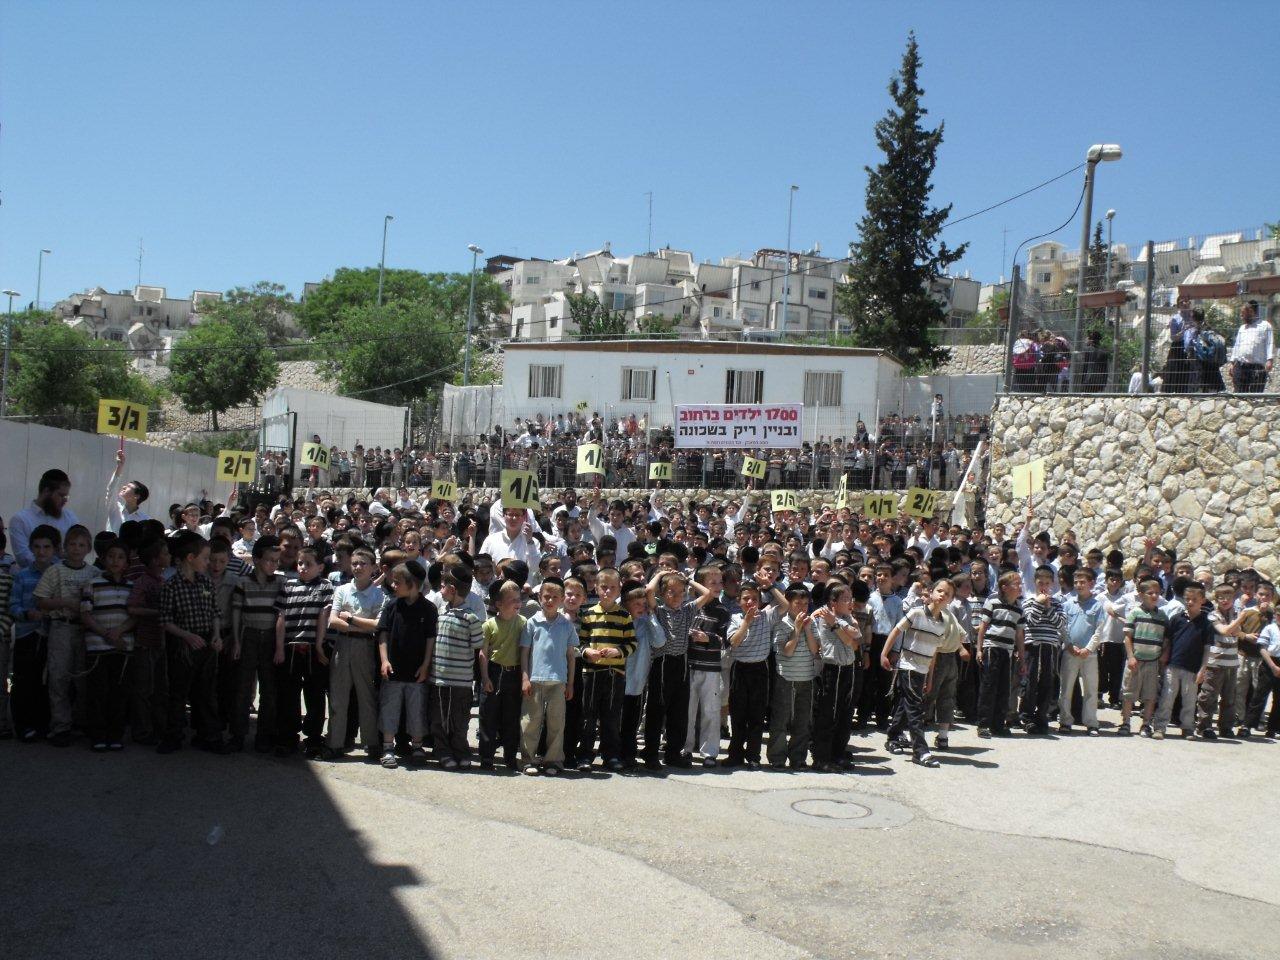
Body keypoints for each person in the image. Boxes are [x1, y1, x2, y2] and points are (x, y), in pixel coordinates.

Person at [159, 533, 228, 754]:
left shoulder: (206, 581)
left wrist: (216, 635)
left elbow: (215, 613)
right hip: (183, 645)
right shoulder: (171, 585)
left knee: (206, 692)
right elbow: (165, 621)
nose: (208, 563)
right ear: (190, 558)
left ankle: (209, 735)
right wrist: (186, 636)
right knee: (178, 692)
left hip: (206, 642)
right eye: (206, 558)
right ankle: (174, 735)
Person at [33, 524, 97, 747]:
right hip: (61, 627)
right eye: (72, 544)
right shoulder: (55, 570)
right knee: (58, 677)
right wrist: (66, 602)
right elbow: (41, 600)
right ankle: (60, 725)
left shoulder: (93, 574)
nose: (76, 549)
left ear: (88, 548)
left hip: (85, 630)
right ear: (64, 547)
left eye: (81, 545)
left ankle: (81, 721)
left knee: (83, 677)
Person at [324, 547, 386, 760]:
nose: (358, 567)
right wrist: (360, 626)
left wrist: (350, 619)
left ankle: (371, 742)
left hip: (365, 647)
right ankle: (335, 742)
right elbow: (333, 620)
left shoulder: (378, 594)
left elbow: (377, 625)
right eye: (355, 563)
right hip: (342, 645)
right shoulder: (342, 590)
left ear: (373, 568)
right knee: (338, 696)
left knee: (366, 696)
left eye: (363, 564)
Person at [273, 544, 333, 758]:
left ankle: (314, 738)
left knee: (315, 695)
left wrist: (318, 646)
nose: (303, 568)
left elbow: (323, 617)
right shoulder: (288, 586)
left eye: (309, 564)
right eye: (300, 563)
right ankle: (288, 736)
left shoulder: (325, 587)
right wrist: (279, 648)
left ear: (320, 567)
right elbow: (281, 617)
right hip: (289, 648)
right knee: (289, 695)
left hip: (313, 649)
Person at [576, 567, 636, 772]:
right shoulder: (588, 614)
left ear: (619, 590)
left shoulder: (624, 616)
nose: (608, 591)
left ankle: (611, 755)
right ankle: (585, 755)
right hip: (592, 673)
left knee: (611, 717)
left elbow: (632, 644)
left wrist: (618, 651)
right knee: (588, 716)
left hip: (615, 674)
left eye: (612, 588)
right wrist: (586, 653)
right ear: (597, 588)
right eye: (604, 587)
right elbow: (580, 642)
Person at [376, 560, 435, 768]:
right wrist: (384, 660)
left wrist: (426, 664)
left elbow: (430, 638)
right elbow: (382, 633)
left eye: (398, 582)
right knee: (390, 708)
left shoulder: (428, 608)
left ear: (411, 584)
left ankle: (417, 745)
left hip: (417, 670)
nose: (393, 586)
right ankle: (388, 747)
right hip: (393, 669)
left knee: (417, 708)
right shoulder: (392, 606)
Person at [229, 536, 285, 752]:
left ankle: (264, 736)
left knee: (269, 690)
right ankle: (238, 735)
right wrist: (236, 640)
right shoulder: (243, 582)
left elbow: (281, 614)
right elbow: (236, 613)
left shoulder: (280, 583)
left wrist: (279, 646)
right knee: (243, 688)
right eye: (269, 560)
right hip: (249, 635)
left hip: (270, 637)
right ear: (257, 559)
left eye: (276, 561)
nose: (273, 565)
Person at [80, 541, 136, 751]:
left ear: (127, 562)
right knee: (98, 692)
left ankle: (115, 734)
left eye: (120, 557)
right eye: (111, 556)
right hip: (97, 647)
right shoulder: (92, 584)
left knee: (119, 693)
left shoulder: (132, 587)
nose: (115, 561)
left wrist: (118, 632)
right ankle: (97, 734)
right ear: (103, 559)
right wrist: (106, 634)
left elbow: (134, 616)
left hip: (122, 647)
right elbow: (85, 614)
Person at [519, 577, 578, 775]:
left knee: (556, 722)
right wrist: (525, 678)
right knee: (531, 721)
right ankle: (529, 759)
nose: (550, 601)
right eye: (546, 597)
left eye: (555, 597)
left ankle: (553, 760)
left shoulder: (566, 625)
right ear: (539, 597)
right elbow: (525, 652)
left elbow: (571, 656)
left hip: (558, 680)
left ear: (561, 599)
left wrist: (570, 683)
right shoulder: (532, 622)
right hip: (535, 680)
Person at [428, 567, 484, 769]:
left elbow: (478, 647)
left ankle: (461, 752)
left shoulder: (471, 619)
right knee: (439, 719)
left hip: (461, 681)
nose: (439, 590)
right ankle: (443, 752)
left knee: (459, 720)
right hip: (439, 679)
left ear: (452, 589)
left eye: (442, 586)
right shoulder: (440, 614)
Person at [809, 580, 864, 770]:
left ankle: (837, 753)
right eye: (846, 599)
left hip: (848, 668)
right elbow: (847, 638)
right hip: (833, 668)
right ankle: (821, 757)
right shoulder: (824, 616)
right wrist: (838, 626)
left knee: (843, 713)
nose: (850, 602)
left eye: (851, 598)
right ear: (833, 602)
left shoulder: (845, 617)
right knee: (828, 713)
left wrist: (839, 625)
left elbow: (855, 640)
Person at [9, 525, 57, 741]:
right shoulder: (23, 575)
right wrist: (27, 614)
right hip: (26, 634)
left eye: (46, 547)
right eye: (37, 547)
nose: (41, 551)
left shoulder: (59, 573)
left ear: (54, 549)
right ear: (30, 548)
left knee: (47, 681)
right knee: (24, 680)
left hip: (52, 634)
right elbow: (13, 606)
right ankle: (23, 725)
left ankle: (43, 723)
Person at [767, 585, 819, 769]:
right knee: (781, 719)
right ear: (789, 604)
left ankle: (798, 757)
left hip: (806, 677)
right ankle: (777, 757)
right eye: (798, 603)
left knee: (803, 721)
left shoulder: (811, 623)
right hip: (785, 677)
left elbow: (815, 651)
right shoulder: (782, 623)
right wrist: (797, 630)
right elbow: (787, 652)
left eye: (806, 604)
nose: (802, 608)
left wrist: (807, 629)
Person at [1153, 582, 1213, 740]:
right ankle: (1160, 726)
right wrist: (1164, 656)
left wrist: (1203, 669)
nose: (1190, 602)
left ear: (1203, 601)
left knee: (1189, 700)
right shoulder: (1176, 619)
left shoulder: (1206, 624)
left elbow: (1207, 649)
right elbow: (1168, 640)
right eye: (1187, 598)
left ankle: (1187, 727)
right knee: (1167, 696)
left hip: (1192, 668)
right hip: (1173, 664)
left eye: (1194, 599)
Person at [478, 580, 526, 771]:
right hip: (494, 671)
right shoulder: (489, 625)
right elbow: (483, 653)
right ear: (498, 604)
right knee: (488, 716)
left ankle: (510, 757)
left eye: (519, 599)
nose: (518, 603)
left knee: (511, 718)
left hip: (513, 673)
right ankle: (487, 757)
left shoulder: (523, 623)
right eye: (512, 600)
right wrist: (485, 678)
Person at [976, 571, 1026, 738]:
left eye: (1020, 584)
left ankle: (998, 725)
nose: (1019, 587)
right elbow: (983, 627)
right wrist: (979, 649)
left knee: (1004, 689)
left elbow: (1019, 635)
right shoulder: (993, 601)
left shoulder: (1019, 608)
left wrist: (1022, 657)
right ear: (1004, 587)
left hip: (1008, 651)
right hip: (992, 647)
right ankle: (983, 724)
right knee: (989, 686)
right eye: (1016, 584)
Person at [1120, 577, 1168, 737]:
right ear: (1141, 595)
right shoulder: (1134, 613)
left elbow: (1166, 639)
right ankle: (1125, 722)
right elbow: (1127, 637)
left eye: (1157, 593)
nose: (1154, 596)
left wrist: (1163, 654)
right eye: (1150, 593)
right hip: (1135, 661)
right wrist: (1131, 656)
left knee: (1150, 695)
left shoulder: (1162, 616)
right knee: (1128, 693)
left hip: (1153, 662)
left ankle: (1146, 724)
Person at [1058, 568, 1104, 735]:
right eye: (1076, 582)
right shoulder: (1068, 604)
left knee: (1091, 689)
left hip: (1089, 654)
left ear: (1091, 584)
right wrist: (1069, 645)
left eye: (1083, 582)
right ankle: (1065, 721)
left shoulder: (1097, 606)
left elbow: (1099, 630)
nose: (1079, 585)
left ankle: (1091, 722)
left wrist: (1088, 648)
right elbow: (1063, 627)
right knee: (1066, 688)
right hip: (1070, 652)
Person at [10, 469, 80, 569]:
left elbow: (77, 552)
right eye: (61, 495)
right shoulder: (20, 520)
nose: (65, 500)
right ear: (46, 491)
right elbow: (24, 559)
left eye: (67, 496)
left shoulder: (70, 517)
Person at [1229, 299, 1273, 393]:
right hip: (1241, 367)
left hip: (1257, 368)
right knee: (1239, 396)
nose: (1241, 316)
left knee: (1255, 397)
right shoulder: (1242, 328)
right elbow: (1237, 346)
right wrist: (1232, 363)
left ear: (1251, 312)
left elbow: (1270, 344)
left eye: (1243, 313)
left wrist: (1269, 360)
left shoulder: (1265, 326)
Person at [104, 450, 151, 533]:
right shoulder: (115, 508)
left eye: (129, 486)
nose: (124, 487)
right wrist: (119, 467)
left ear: (137, 496)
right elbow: (111, 489)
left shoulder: (145, 520)